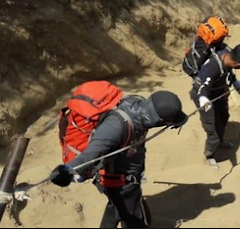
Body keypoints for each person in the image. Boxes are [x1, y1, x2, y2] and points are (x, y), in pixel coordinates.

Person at [50, 91, 189, 228]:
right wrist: (68, 171)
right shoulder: (116, 126)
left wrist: (175, 121)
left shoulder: (139, 106)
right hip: (120, 183)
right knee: (139, 222)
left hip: (122, 179)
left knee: (115, 207)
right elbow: (90, 154)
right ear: (158, 120)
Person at [190, 43, 240, 168]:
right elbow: (202, 87)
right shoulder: (213, 67)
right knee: (213, 128)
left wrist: (234, 81)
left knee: (224, 116)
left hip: (218, 92)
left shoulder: (227, 53)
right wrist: (203, 99)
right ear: (238, 64)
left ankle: (220, 142)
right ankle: (210, 155)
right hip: (204, 97)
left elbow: (228, 71)